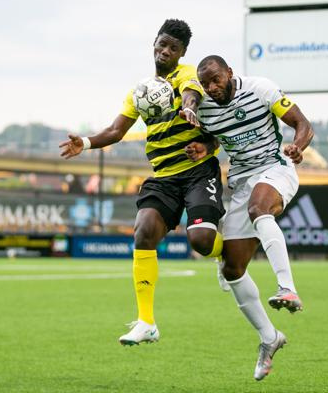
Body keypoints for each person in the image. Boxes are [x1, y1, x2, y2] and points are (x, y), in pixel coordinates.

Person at [59, 20, 224, 346]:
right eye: (161, 45)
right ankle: (146, 322)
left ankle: (225, 253)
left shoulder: (187, 75)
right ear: (154, 43)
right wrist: (87, 143)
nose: (165, 51)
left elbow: (191, 93)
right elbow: (116, 131)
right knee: (143, 231)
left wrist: (189, 108)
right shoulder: (141, 91)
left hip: (197, 171)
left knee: (202, 241)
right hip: (163, 176)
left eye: (172, 48)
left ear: (182, 53)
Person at [185, 55, 314, 380]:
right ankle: (270, 338)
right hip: (241, 182)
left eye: (216, 79)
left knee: (260, 208)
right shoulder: (205, 110)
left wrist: (298, 147)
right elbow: (217, 136)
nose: (212, 88)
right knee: (232, 269)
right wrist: (204, 147)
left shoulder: (261, 89)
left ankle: (287, 288)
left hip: (275, 169)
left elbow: (303, 125)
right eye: (207, 84)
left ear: (230, 73)